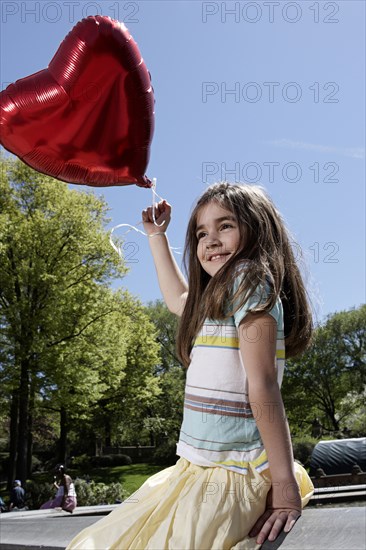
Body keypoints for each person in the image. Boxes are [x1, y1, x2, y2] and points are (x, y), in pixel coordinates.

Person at [67, 182, 315, 549]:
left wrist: (284, 488)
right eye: (201, 232)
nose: (211, 240)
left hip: (231, 469)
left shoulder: (249, 279)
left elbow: (263, 385)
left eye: (225, 226)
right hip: (196, 467)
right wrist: (156, 236)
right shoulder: (220, 295)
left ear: (258, 229)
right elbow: (177, 299)